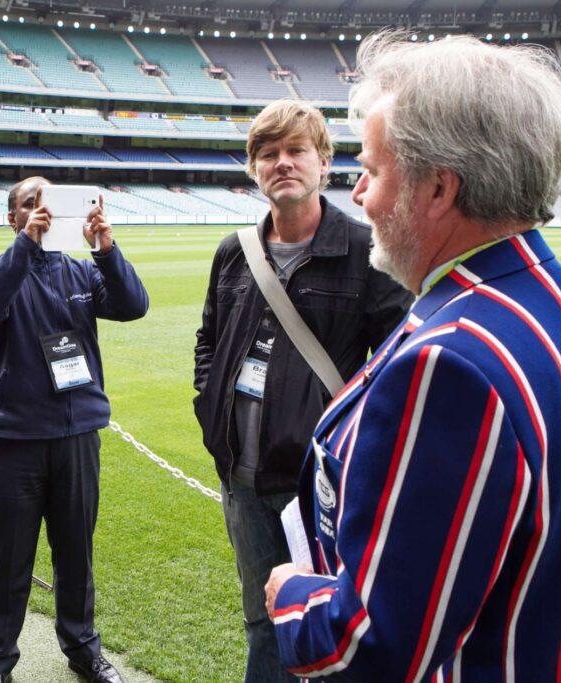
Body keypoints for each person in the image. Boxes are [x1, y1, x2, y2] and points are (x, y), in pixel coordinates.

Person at [265, 33, 561, 680]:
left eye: (373, 170)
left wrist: (291, 596)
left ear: (440, 189)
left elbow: (371, 648)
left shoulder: (451, 365)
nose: (358, 195)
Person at [192, 100, 410, 682]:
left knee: (329, 625)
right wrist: (208, 409)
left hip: (318, 487)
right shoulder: (234, 251)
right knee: (262, 623)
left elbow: (398, 366)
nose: (282, 163)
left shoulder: (367, 252)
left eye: (296, 151)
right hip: (241, 477)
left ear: (324, 162)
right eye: (268, 153)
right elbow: (208, 340)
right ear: (253, 168)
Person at [0, 177, 149, 683]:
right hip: (15, 441)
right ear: (12, 219)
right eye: (29, 206)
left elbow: (134, 305)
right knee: (10, 563)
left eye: (48, 206)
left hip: (76, 437)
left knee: (76, 555)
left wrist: (106, 248)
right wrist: (25, 244)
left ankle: (83, 650)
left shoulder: (81, 271)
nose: (41, 212)